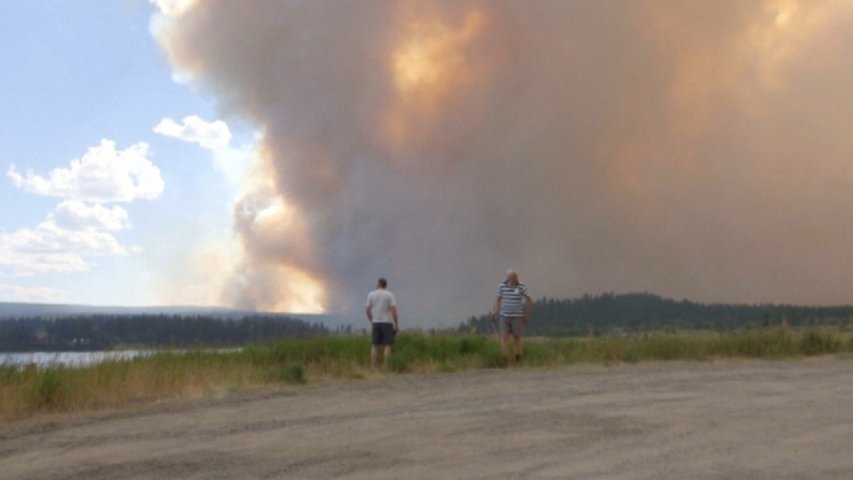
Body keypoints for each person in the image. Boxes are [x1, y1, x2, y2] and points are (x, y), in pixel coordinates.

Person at [492, 269, 533, 363]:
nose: (513, 279)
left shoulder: (521, 286)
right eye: (511, 277)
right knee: (504, 336)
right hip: (504, 315)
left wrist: (527, 314)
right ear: (508, 278)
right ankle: (504, 358)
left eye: (515, 277)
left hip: (517, 315)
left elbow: (529, 300)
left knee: (517, 336)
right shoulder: (502, 286)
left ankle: (519, 356)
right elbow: (498, 299)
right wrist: (495, 311)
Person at [365, 277, 399, 369]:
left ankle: (374, 367)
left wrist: (372, 320)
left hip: (376, 323)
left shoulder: (371, 294)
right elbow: (394, 311)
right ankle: (386, 366)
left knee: (375, 345)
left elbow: (367, 310)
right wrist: (396, 324)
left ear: (379, 284)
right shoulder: (390, 295)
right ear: (385, 285)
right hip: (387, 323)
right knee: (387, 345)